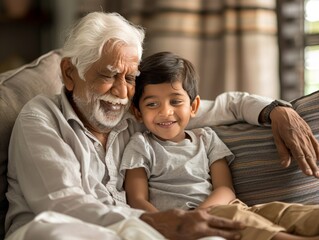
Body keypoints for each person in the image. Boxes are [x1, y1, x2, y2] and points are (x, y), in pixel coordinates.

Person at [5, 11, 319, 240]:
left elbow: (225, 106)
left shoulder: (134, 114)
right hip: (57, 230)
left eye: (129, 78)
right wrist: (160, 223)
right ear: (70, 74)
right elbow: (61, 204)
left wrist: (277, 110)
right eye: (108, 75)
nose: (121, 92)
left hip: (132, 230)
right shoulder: (41, 118)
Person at [120, 51, 319, 240]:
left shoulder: (206, 138)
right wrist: (176, 225)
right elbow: (137, 199)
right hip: (195, 221)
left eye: (175, 101)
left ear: (194, 107)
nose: (166, 112)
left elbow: (225, 188)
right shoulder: (140, 145)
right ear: (138, 112)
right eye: (152, 104)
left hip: (228, 207)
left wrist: (201, 214)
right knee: (239, 221)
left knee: (284, 211)